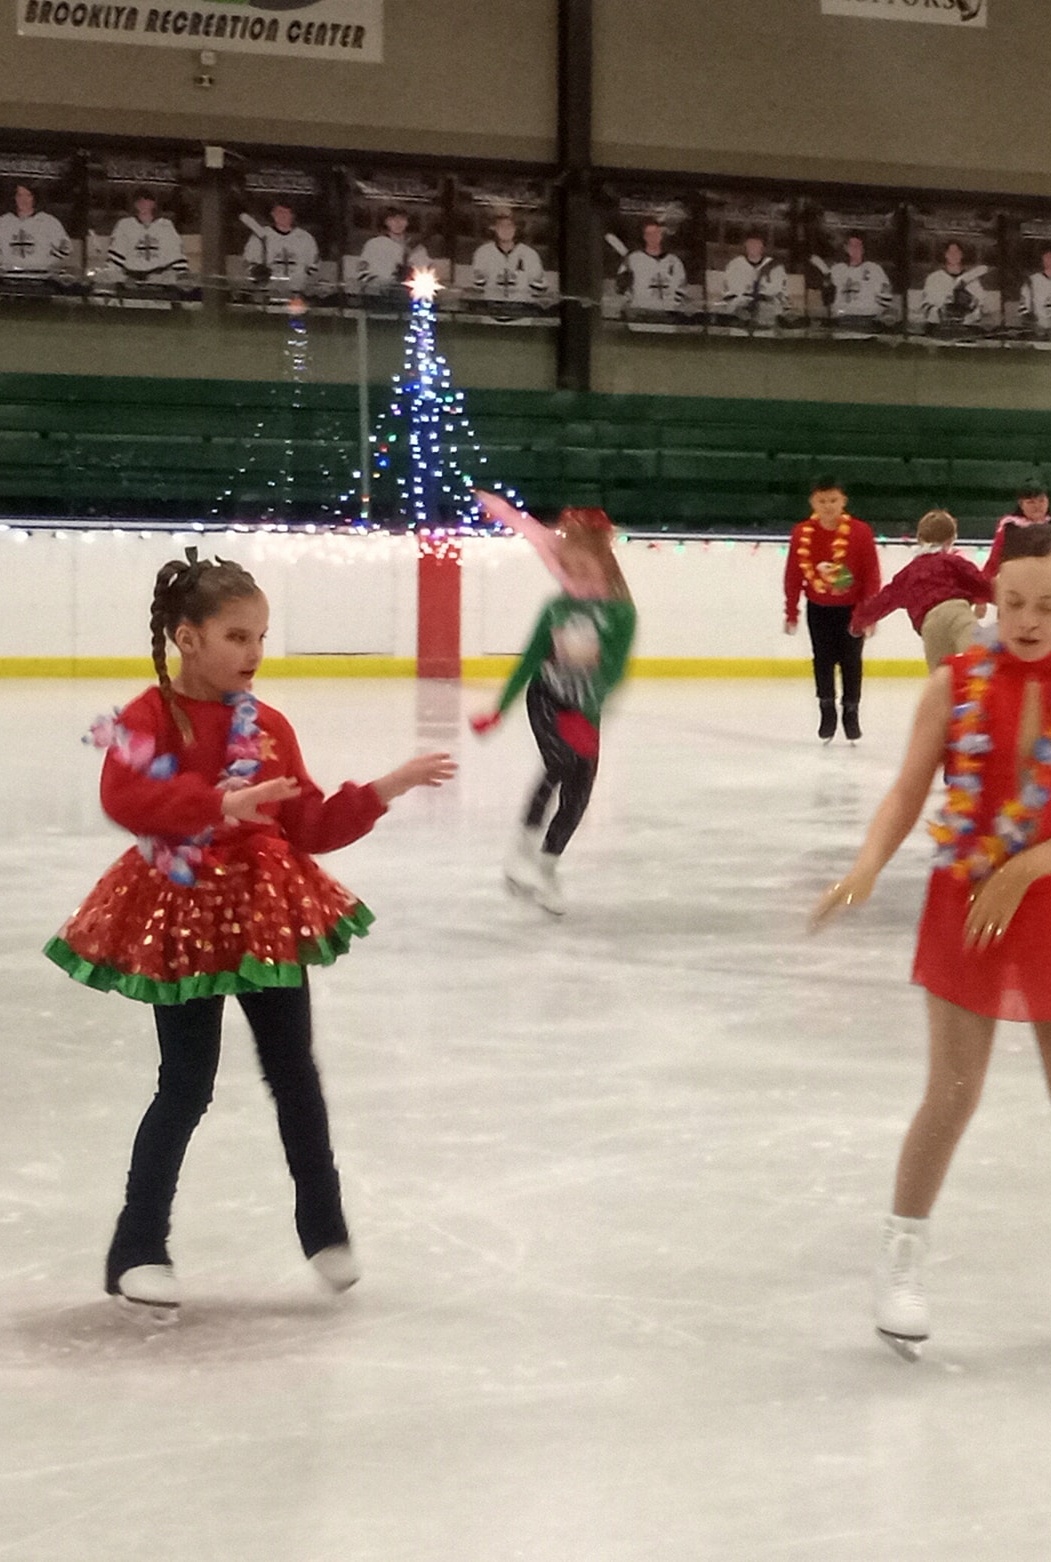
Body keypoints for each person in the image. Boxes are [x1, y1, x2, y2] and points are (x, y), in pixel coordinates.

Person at [44, 552, 456, 1315]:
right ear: (188, 637)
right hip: (181, 910)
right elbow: (124, 796)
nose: (255, 652)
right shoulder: (148, 717)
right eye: (237, 636)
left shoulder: (267, 726)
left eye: (261, 636)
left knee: (294, 1070)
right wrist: (216, 806)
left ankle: (325, 1230)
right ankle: (136, 1247)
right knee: (186, 1083)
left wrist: (383, 789)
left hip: (264, 912)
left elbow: (308, 824)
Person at [812, 523, 1051, 1356]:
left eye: (1047, 604)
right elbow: (907, 791)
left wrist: (1025, 870)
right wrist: (867, 864)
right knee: (951, 1093)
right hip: (965, 905)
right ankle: (901, 1263)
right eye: (1013, 601)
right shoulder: (953, 685)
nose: (1027, 619)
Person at [470, 498, 636, 915]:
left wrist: (588, 713)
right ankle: (520, 851)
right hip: (546, 697)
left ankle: (546, 867)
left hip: (585, 707)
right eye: (569, 571)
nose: (576, 579)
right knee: (559, 763)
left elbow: (614, 670)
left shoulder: (621, 615)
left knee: (579, 793)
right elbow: (529, 660)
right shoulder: (557, 609)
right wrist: (499, 709)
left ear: (604, 566)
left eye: (585, 570)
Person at [783, 476, 882, 743]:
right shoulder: (801, 533)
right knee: (822, 660)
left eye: (833, 500)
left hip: (852, 610)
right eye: (822, 501)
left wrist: (869, 612)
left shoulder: (860, 532)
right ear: (812, 502)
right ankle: (826, 708)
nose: (828, 506)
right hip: (819, 609)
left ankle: (851, 710)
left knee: (852, 660)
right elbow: (793, 575)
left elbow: (871, 574)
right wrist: (791, 611)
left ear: (843, 501)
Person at [851, 509, 993, 670]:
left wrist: (858, 623)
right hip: (958, 613)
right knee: (977, 664)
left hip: (930, 625)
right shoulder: (953, 562)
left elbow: (884, 600)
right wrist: (1006, 601)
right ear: (951, 540)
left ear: (919, 538)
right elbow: (982, 584)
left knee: (941, 675)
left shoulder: (908, 573)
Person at [0, 184, 72, 276]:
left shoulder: (49, 222)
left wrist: (47, 265)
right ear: (14, 198)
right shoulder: (1, 223)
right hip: (9, 278)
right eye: (19, 195)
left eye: (28, 195)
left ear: (34, 198)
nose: (23, 200)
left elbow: (65, 249)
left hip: (40, 279)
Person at [104, 189, 188, 286]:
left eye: (146, 201)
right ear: (135, 205)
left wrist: (166, 276)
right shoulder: (125, 225)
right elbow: (116, 257)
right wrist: (123, 278)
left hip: (160, 281)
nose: (143, 204)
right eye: (139, 201)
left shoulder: (165, 226)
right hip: (131, 280)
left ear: (153, 204)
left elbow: (175, 256)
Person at [469, 210, 549, 305]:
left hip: (521, 310)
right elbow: (475, 287)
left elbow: (540, 288)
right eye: (501, 226)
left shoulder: (529, 254)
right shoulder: (483, 252)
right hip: (491, 309)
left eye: (509, 226)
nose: (505, 230)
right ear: (495, 228)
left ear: (516, 229)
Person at [616, 217, 688, 318]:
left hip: (667, 318)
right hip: (640, 317)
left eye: (656, 233)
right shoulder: (633, 259)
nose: (653, 237)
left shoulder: (674, 262)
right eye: (649, 234)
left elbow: (681, 288)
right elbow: (621, 287)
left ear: (661, 236)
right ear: (644, 237)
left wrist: (672, 308)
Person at [244, 201, 320, 293]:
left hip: (297, 291)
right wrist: (258, 272)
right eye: (279, 212)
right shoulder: (261, 236)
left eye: (286, 213)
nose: (283, 215)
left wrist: (304, 280)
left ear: (292, 216)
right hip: (267, 291)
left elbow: (313, 264)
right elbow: (250, 261)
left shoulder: (305, 238)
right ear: (273, 214)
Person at [982, 481, 1051, 578]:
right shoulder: (1010, 527)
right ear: (1021, 504)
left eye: (1041, 501)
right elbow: (995, 559)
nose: (1037, 506)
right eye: (1030, 502)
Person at [717, 231, 788, 324]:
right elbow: (728, 291)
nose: (753, 247)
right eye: (750, 244)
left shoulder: (775, 267)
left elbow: (780, 292)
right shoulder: (735, 265)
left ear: (762, 247)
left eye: (757, 244)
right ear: (745, 245)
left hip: (766, 314)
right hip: (740, 313)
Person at [825, 232, 895, 325]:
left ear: (863, 249)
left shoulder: (874, 269)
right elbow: (826, 291)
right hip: (842, 319)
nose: (855, 250)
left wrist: (881, 312)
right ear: (846, 248)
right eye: (852, 246)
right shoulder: (837, 270)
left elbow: (886, 295)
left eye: (858, 246)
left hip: (868, 319)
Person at [918, 239, 987, 327]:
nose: (954, 255)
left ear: (962, 255)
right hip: (939, 328)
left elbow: (981, 306)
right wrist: (941, 311)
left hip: (965, 328)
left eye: (957, 252)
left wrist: (971, 307)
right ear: (945, 254)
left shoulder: (972, 281)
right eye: (950, 252)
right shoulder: (934, 278)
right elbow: (926, 306)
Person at [357, 207, 430, 290]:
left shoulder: (418, 249)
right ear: (386, 222)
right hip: (379, 292)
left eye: (402, 219)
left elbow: (425, 273)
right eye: (392, 219)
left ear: (407, 222)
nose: (398, 223)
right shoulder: (374, 244)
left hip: (409, 292)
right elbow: (362, 272)